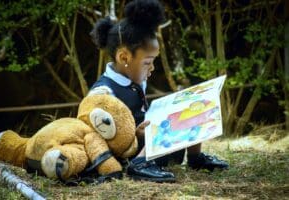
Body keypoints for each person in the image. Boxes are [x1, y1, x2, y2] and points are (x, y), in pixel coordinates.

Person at [89, 0, 228, 182]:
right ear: (124, 57)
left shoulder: (136, 79)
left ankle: (195, 158)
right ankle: (139, 166)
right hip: (131, 154)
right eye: (147, 62)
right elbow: (96, 137)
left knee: (193, 104)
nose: (152, 68)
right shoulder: (103, 93)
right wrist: (133, 135)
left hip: (156, 146)